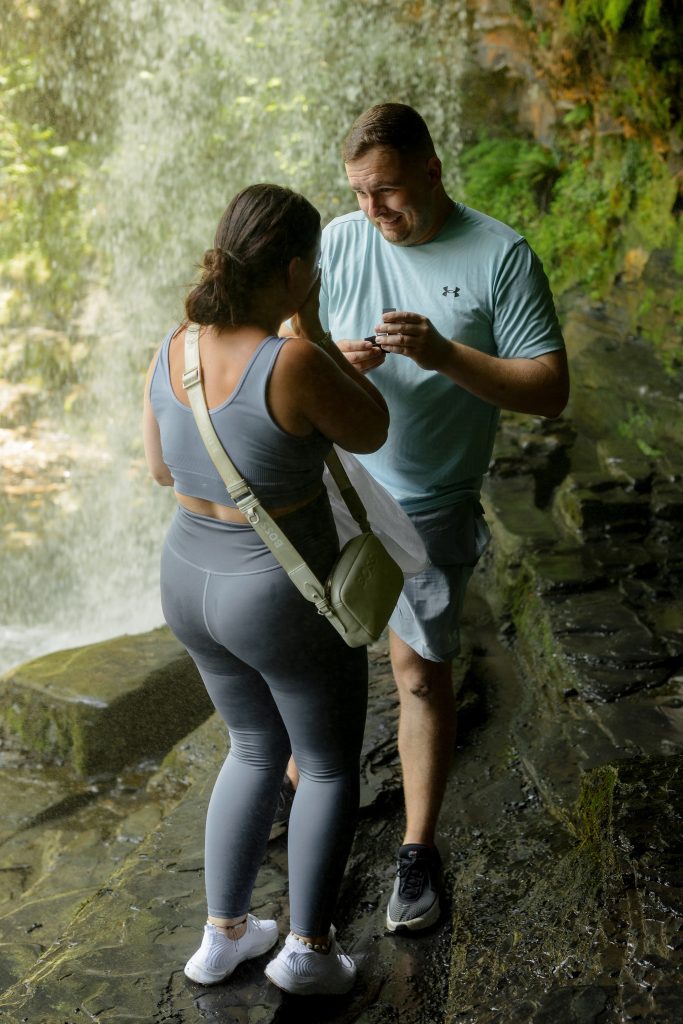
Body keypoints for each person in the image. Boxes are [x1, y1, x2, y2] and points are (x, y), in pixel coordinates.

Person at [291, 103, 570, 933]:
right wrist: (331, 360)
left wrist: (443, 354)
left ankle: (417, 851)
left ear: (432, 170)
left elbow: (549, 391)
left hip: (431, 500)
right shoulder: (340, 241)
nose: (372, 212)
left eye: (387, 193)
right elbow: (290, 335)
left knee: (416, 669)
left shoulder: (499, 254)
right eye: (359, 193)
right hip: (333, 486)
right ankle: (306, 799)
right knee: (311, 655)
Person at [143, 183, 389, 995]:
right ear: (293, 271)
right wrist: (309, 331)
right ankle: (309, 953)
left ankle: (224, 936)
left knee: (251, 746)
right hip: (276, 592)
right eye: (310, 269)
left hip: (186, 579)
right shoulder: (290, 362)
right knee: (322, 766)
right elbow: (372, 426)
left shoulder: (172, 347)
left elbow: (158, 467)